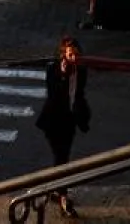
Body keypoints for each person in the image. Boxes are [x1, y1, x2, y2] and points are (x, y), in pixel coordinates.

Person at [35, 36, 91, 218]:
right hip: (53, 120)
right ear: (63, 55)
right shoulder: (53, 69)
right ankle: (63, 195)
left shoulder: (81, 72)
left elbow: (79, 94)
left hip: (70, 120)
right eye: (70, 54)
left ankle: (57, 190)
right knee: (61, 156)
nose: (73, 58)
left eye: (76, 54)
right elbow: (53, 93)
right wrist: (63, 75)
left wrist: (82, 114)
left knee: (62, 157)